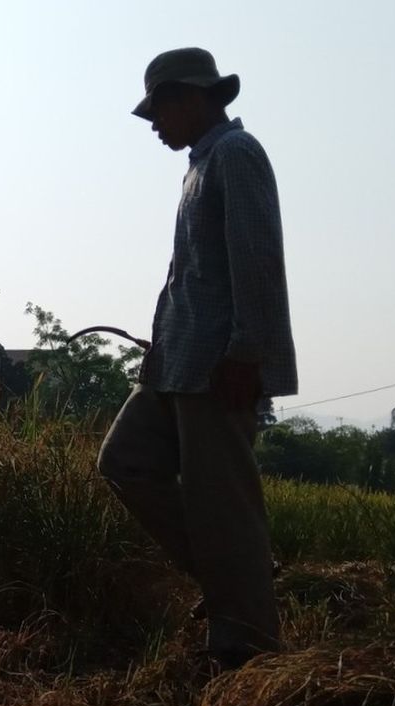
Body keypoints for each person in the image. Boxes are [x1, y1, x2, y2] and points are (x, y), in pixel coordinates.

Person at [97, 47, 297, 670]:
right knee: (124, 462)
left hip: (218, 367)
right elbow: (193, 275)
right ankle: (234, 576)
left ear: (191, 97)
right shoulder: (200, 165)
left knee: (222, 503)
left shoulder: (236, 156)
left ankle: (245, 649)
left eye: (158, 110)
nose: (154, 124)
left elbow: (257, 259)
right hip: (176, 362)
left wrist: (246, 353)